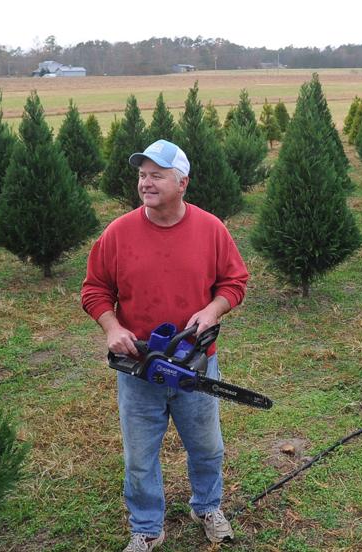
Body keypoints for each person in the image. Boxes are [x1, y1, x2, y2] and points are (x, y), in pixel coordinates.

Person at [81, 139, 250, 552]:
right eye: (142, 175)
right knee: (140, 457)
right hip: (139, 366)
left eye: (157, 175)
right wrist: (111, 328)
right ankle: (147, 527)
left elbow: (234, 282)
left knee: (207, 447)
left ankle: (207, 506)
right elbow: (94, 290)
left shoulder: (211, 229)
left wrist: (212, 311)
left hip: (195, 364)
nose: (146, 183)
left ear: (182, 182)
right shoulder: (118, 233)